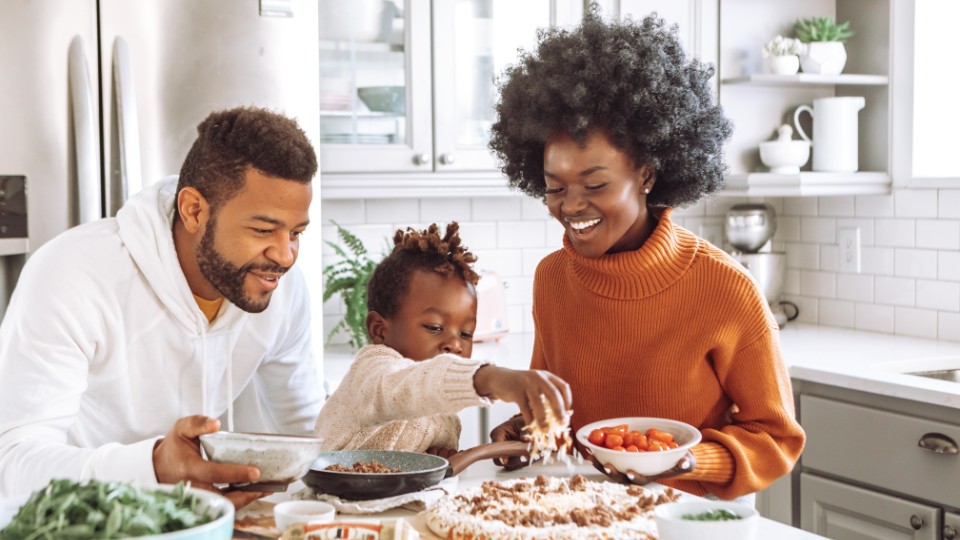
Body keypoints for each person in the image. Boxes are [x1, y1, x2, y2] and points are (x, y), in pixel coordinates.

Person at [487, 9, 806, 500]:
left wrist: (684, 460)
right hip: (579, 517)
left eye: (595, 184)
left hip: (685, 522)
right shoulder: (552, 278)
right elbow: (558, 416)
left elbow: (776, 438)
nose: (571, 206)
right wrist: (523, 432)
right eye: (554, 187)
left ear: (648, 174)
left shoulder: (725, 288)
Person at [0, 106, 324, 506]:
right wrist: (152, 466)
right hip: (77, 528)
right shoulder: (71, 274)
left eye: (296, 232)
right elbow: (13, 466)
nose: (286, 255)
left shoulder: (277, 288)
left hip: (199, 526)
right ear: (193, 210)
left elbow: (309, 435)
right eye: (263, 229)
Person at [315, 223, 571, 462]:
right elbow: (408, 387)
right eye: (435, 327)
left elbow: (412, 459)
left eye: (465, 334)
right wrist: (490, 378)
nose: (455, 345)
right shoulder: (373, 371)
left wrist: (435, 459)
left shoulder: (445, 412)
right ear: (379, 330)